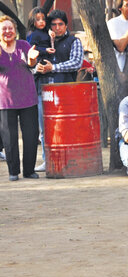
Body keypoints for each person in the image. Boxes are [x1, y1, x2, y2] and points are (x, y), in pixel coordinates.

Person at [35, 9, 85, 172]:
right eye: (54, 24)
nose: (57, 28)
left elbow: (76, 63)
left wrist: (53, 67)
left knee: (67, 127)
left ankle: (69, 159)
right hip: (44, 91)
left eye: (60, 24)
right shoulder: (41, 42)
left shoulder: (73, 41)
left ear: (66, 25)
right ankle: (47, 160)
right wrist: (39, 68)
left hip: (65, 92)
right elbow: (31, 65)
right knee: (45, 128)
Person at [0, 16, 40, 181]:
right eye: (4, 28)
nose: (8, 31)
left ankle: (29, 170)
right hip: (5, 101)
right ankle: (13, 171)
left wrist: (32, 59)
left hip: (27, 98)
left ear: (15, 30)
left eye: (10, 28)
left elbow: (32, 65)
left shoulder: (24, 45)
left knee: (31, 135)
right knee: (9, 138)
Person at [26, 6, 55, 173]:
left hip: (50, 78)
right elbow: (32, 50)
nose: (41, 22)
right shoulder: (32, 35)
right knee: (43, 124)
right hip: (39, 77)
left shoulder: (49, 33)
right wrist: (45, 50)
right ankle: (46, 158)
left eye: (43, 19)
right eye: (37, 19)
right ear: (33, 21)